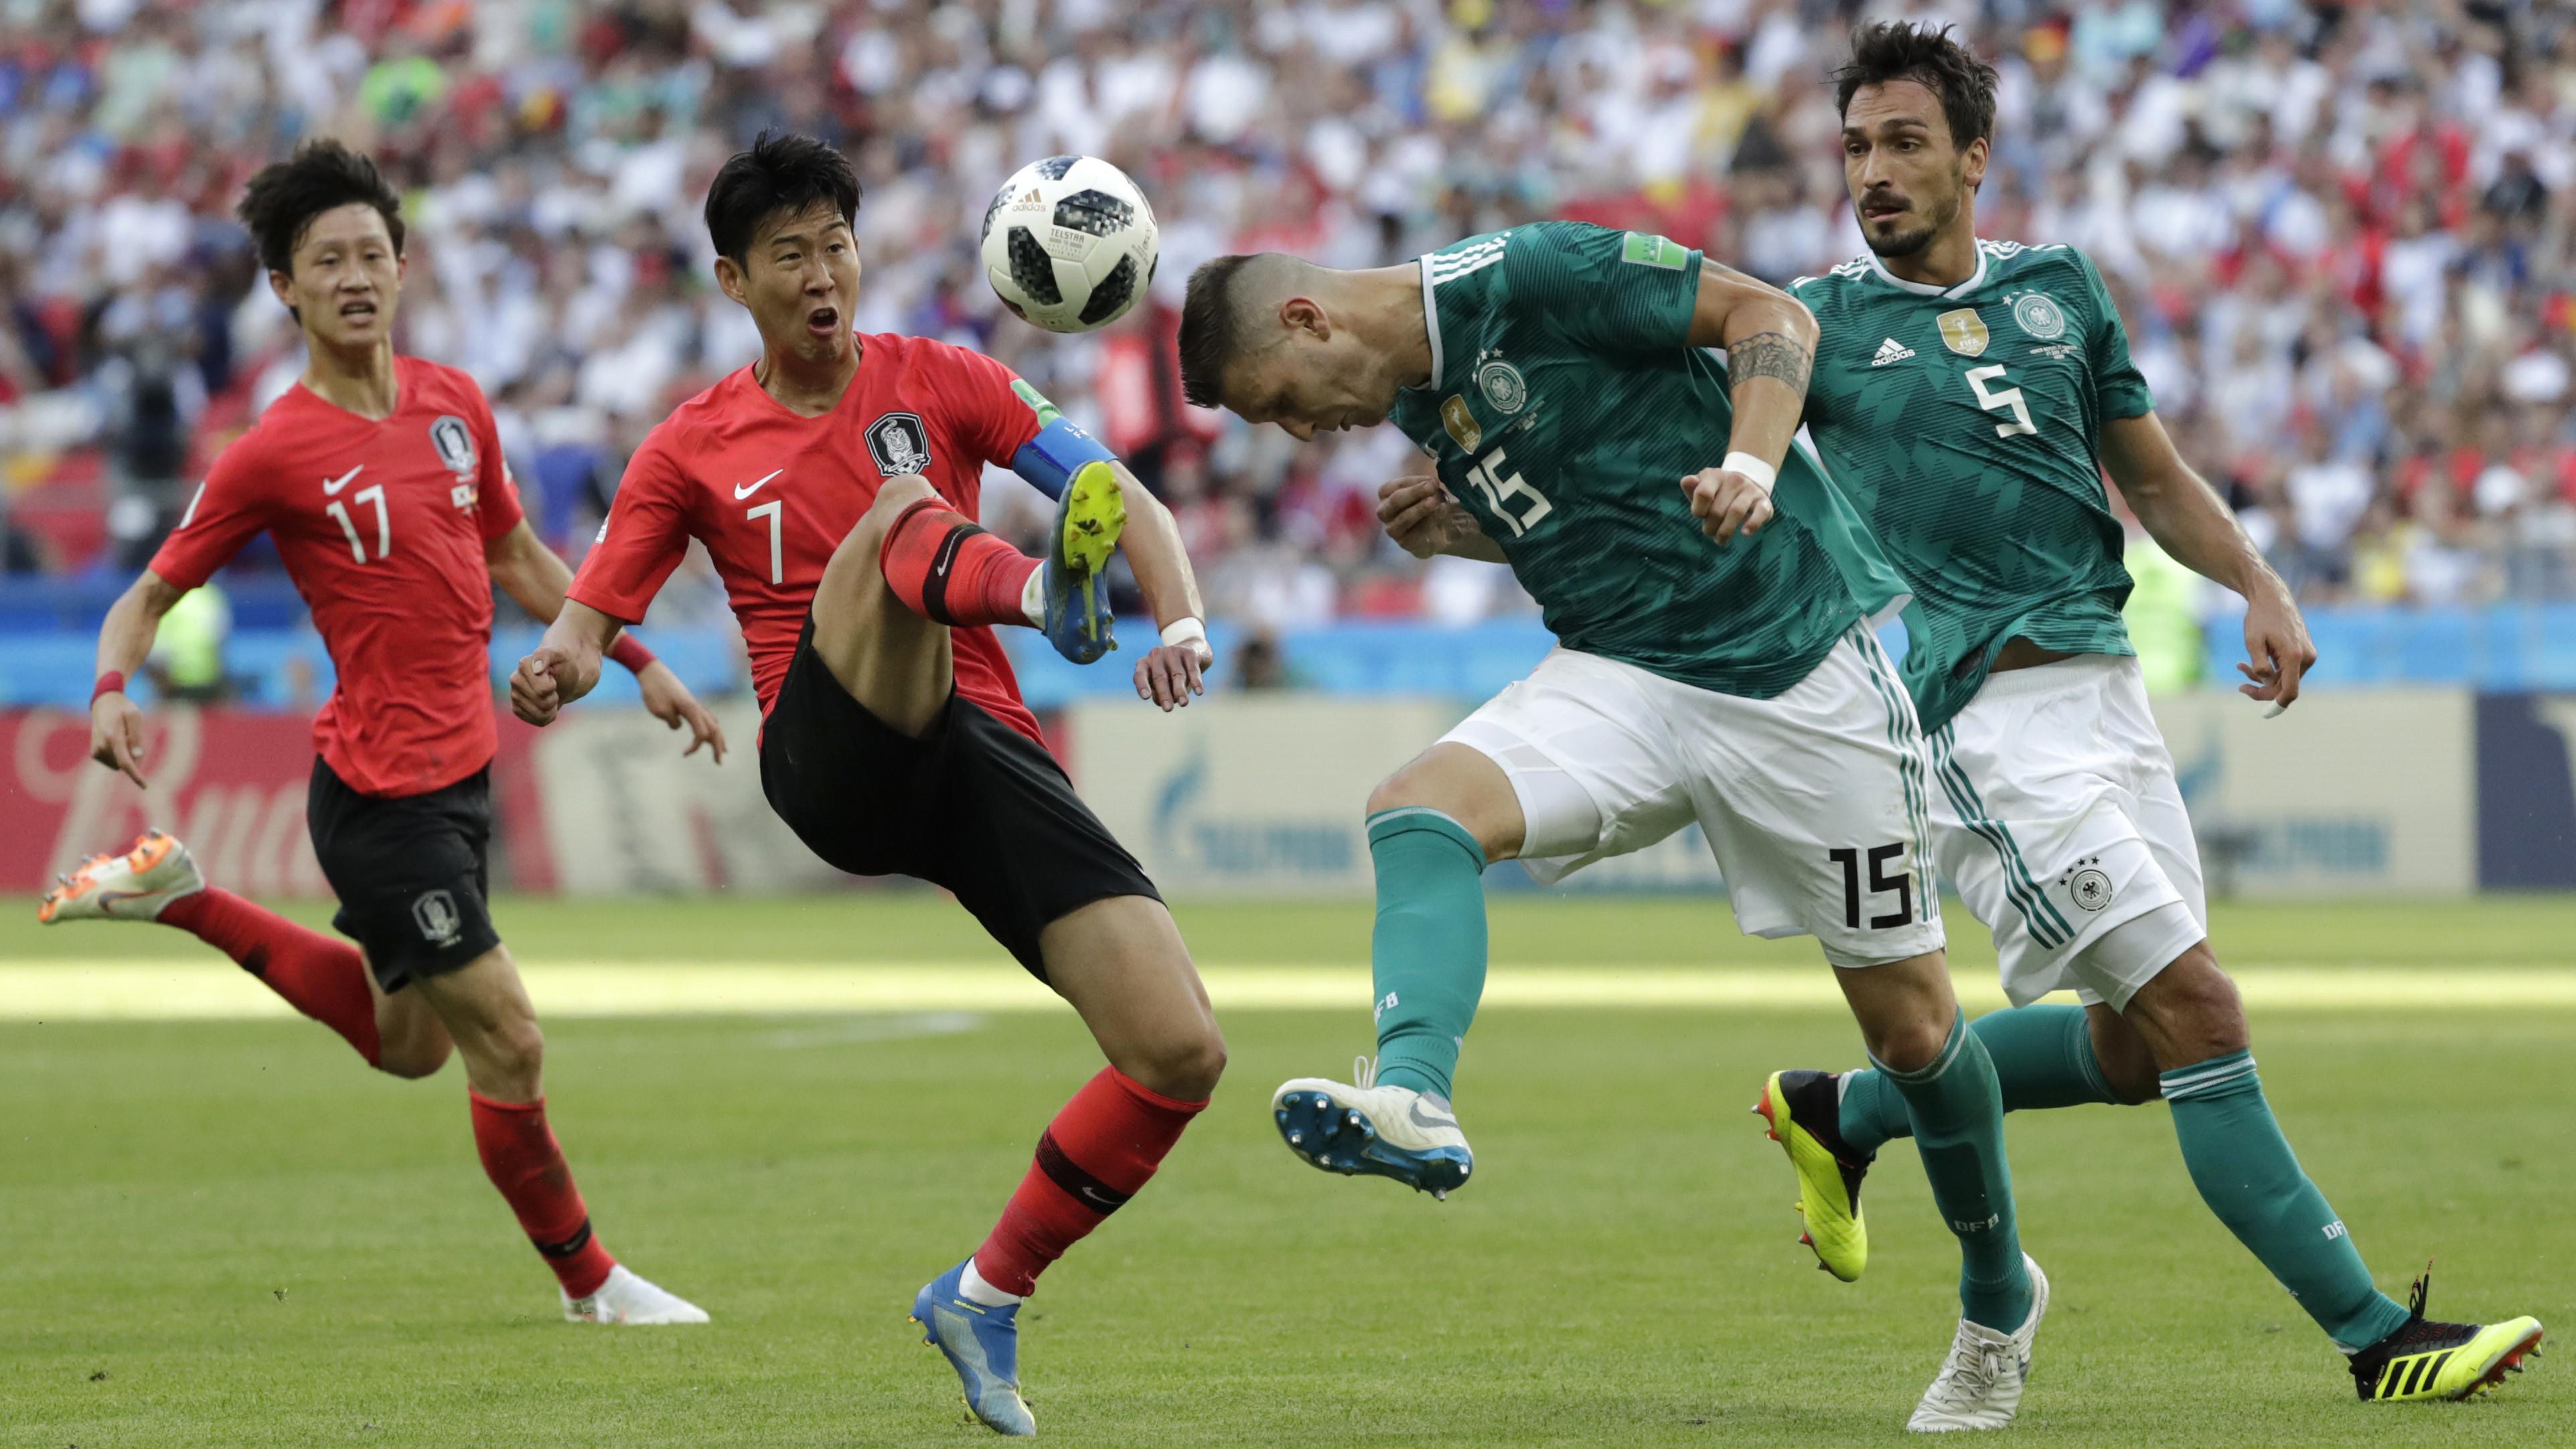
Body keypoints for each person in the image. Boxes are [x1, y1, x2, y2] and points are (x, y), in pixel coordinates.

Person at [1760, 21, 2543, 1406]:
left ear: (1974, 157)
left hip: (2109, 705)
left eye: (1901, 143)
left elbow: (2154, 475)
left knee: (2133, 1050)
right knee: (2199, 1008)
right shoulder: (1816, 324)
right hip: (1984, 727)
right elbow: (1706, 426)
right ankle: (2376, 1338)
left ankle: (1839, 1106)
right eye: (1855, 148)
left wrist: (2256, 577)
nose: (1871, 172)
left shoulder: (2063, 288)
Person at [1177, 223, 2044, 1431]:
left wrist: (1749, 459)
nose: (1298, 434)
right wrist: (1462, 530)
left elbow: (1771, 320)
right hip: (1622, 679)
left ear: (1309, 320)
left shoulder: (1534, 278)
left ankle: (1999, 1303)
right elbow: (1595, 497)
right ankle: (1415, 1094)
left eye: (1280, 404)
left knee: (1913, 1036)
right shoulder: (1418, 399)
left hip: (1796, 675)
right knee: (1418, 809)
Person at [508, 133, 1225, 1439]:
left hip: (977, 752)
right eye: (790, 253)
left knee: (1179, 1049)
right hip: (828, 751)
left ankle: (982, 1292)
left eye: (836, 242)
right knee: (899, 506)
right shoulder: (689, 446)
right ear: (734, 278)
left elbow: (1116, 494)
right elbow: (587, 613)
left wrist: (1178, 624)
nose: (823, 271)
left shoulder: (946, 375)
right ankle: (1036, 598)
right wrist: (554, 671)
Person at [40, 141, 718, 1326]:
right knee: (509, 1043)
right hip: (379, 798)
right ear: (284, 290)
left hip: (461, 777)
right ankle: (593, 1288)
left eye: (371, 254)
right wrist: (108, 688)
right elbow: (148, 591)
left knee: (412, 1048)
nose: (356, 276)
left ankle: (180, 895)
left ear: (403, 267)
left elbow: (518, 558)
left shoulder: (457, 406)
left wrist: (638, 656)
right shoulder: (273, 451)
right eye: (326, 261)